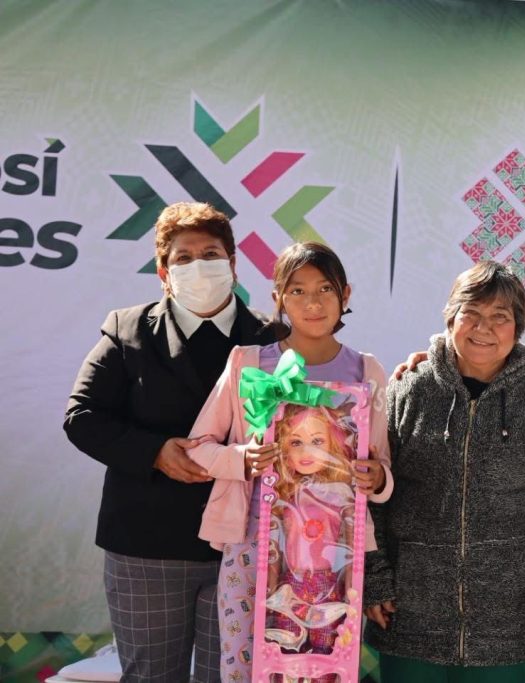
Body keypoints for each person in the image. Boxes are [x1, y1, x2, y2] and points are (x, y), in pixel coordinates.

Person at [64, 202, 278, 682]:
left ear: (233, 264)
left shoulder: (273, 337)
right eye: (183, 258)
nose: (199, 266)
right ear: (164, 273)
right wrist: (155, 453)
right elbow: (82, 417)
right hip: (147, 546)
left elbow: (319, 406)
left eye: (211, 254)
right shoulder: (127, 330)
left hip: (245, 545)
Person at [365, 260, 525, 683]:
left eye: (500, 317)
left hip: (508, 626)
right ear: (450, 318)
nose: (483, 328)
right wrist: (374, 581)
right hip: (409, 620)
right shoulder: (408, 390)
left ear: (518, 327)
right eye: (470, 313)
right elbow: (371, 494)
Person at [185, 241, 393, 682]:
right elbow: (198, 447)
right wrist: (242, 459)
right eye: (297, 291)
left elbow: (382, 467)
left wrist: (376, 478)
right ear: (278, 297)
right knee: (245, 665)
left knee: (324, 667)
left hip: (333, 555)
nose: (312, 302)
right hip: (253, 543)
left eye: (325, 289)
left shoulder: (365, 371)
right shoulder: (248, 362)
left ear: (345, 294)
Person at [265, 404, 358, 678]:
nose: (307, 451)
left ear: (332, 444)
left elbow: (352, 544)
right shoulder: (283, 493)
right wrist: (269, 588)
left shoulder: (341, 493)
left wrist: (352, 587)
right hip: (289, 587)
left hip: (328, 585)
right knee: (286, 651)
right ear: (284, 448)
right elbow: (273, 547)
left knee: (326, 652)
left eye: (317, 441)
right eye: (296, 442)